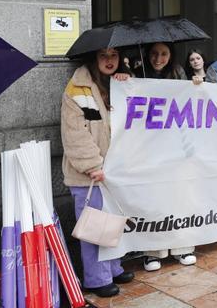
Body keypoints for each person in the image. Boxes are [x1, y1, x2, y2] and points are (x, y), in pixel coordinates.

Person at [61, 48, 134, 297]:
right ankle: (96, 278)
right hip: (88, 175)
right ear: (94, 58)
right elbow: (74, 134)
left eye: (114, 55)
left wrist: (128, 83)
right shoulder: (77, 89)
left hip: (113, 173)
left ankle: (113, 268)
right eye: (104, 55)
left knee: (112, 225)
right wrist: (93, 165)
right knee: (94, 228)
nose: (109, 60)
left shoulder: (118, 84)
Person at [134, 43, 197, 270]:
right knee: (154, 200)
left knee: (180, 197)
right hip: (150, 149)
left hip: (177, 145)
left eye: (163, 54)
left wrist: (197, 84)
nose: (158, 58)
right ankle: (153, 252)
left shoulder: (179, 73)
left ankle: (183, 248)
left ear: (171, 56)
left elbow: (191, 102)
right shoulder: (137, 75)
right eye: (154, 54)